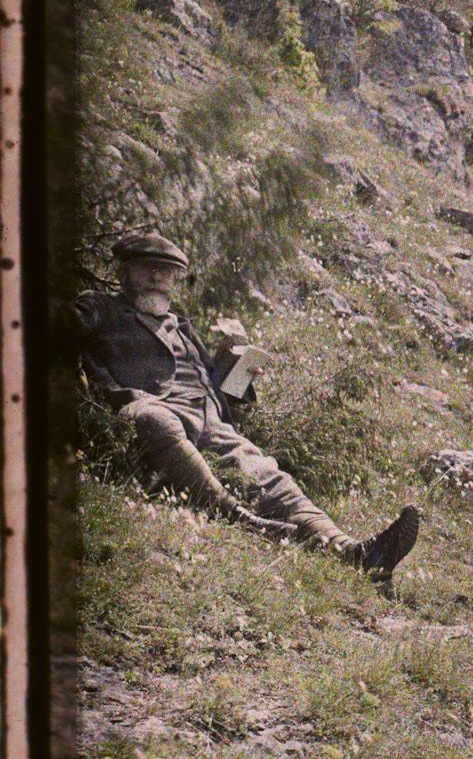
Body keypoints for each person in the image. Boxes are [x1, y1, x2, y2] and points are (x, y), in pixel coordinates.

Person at [68, 231, 420, 580]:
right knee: (156, 420)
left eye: (166, 271)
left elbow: (216, 386)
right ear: (123, 273)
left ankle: (356, 552)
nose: (158, 278)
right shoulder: (103, 308)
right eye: (147, 269)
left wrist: (240, 370)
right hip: (152, 407)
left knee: (272, 476)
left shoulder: (182, 327)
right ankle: (244, 521)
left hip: (211, 420)